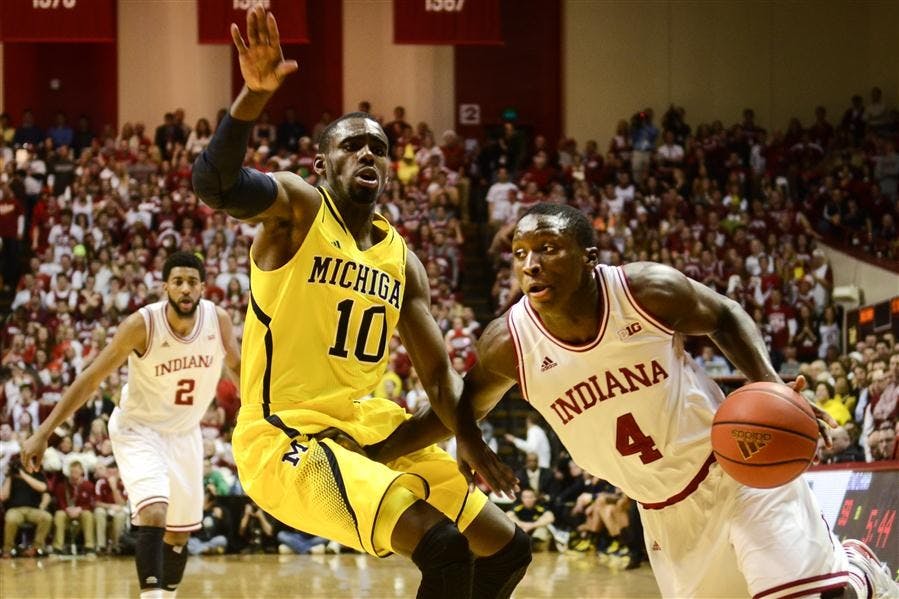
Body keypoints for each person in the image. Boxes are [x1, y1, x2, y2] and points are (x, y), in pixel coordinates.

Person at [376, 203, 899, 597]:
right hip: (663, 510)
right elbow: (457, 406)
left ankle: (857, 575)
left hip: (736, 468)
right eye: (519, 254)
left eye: (549, 249)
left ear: (589, 258)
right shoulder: (508, 343)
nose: (530, 264)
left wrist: (771, 382)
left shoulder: (646, 291)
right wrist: (433, 444)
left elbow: (725, 315)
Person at [190, 7, 529, 599]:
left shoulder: (403, 259)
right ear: (322, 165)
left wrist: (470, 439)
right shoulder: (297, 208)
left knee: (507, 548)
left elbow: (438, 377)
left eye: (378, 146)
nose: (368, 153)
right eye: (353, 146)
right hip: (287, 439)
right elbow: (214, 185)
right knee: (443, 548)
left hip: (368, 429)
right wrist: (253, 94)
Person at [22, 251, 241, 599]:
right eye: (178, 282)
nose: (185, 289)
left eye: (192, 282)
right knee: (154, 512)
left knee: (180, 534)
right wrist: (43, 432)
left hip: (185, 433)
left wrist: (260, 414)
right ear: (166, 286)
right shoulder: (143, 325)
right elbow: (92, 377)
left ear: (203, 287)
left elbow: (238, 369)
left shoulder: (219, 321)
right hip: (139, 429)